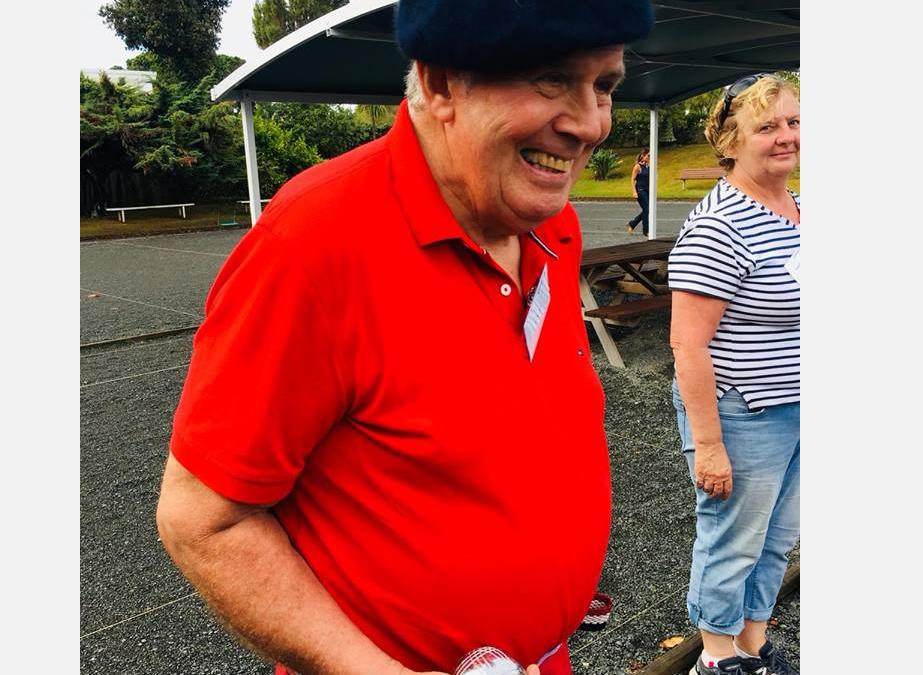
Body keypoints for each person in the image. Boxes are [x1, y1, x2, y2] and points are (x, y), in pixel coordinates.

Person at [154, 2, 654, 674]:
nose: (590, 123)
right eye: (551, 78)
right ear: (441, 82)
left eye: (605, 86)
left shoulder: (549, 225)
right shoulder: (313, 244)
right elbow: (201, 518)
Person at [665, 73, 801, 675]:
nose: (786, 136)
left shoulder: (801, 210)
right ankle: (716, 660)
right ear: (730, 141)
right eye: (767, 126)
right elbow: (687, 345)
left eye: (793, 122)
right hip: (745, 415)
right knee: (733, 542)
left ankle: (751, 645)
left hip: (799, 407)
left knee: (777, 539)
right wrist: (710, 446)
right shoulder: (720, 225)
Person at [625, 149, 650, 235]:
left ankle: (632, 224)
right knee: (646, 210)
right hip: (641, 191)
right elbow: (632, 179)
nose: (649, 157)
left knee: (647, 210)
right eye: (648, 156)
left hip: (648, 190)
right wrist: (634, 191)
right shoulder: (637, 166)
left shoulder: (649, 166)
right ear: (643, 155)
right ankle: (646, 230)